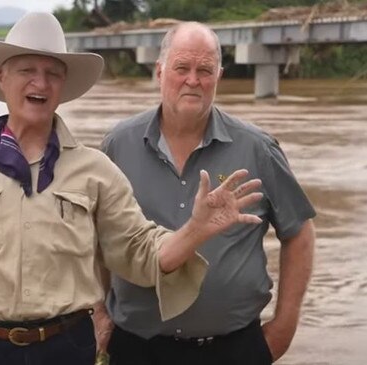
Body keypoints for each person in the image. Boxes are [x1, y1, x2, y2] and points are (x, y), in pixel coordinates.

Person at [0, 13, 263, 365]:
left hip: (66, 347)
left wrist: (196, 230)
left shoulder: (97, 171)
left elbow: (142, 253)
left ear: (63, 88)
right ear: (2, 77)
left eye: (53, 73)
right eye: (26, 70)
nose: (40, 82)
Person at [96, 21, 316, 365]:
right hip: (136, 348)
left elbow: (299, 232)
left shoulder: (257, 148)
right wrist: (98, 311)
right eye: (182, 68)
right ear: (159, 71)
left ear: (219, 76)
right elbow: (94, 237)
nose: (193, 80)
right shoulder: (118, 146)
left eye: (205, 70)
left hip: (234, 349)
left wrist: (285, 326)